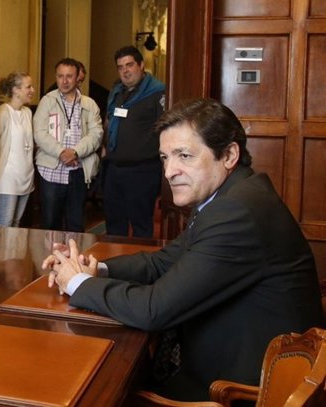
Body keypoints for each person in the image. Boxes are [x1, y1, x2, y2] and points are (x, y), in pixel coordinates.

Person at [42, 98, 323, 401]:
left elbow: (153, 310)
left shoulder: (236, 212)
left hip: (238, 392)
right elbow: (164, 262)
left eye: (184, 156)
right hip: (224, 364)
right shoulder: (231, 196)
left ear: (229, 155)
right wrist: (95, 267)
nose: (169, 171)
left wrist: (77, 283)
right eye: (165, 158)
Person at [33, 59, 102, 231]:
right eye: (60, 76)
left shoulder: (89, 104)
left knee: (76, 224)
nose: (64, 81)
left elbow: (96, 134)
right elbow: (39, 133)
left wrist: (75, 152)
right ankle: (51, 250)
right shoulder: (47, 101)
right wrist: (62, 153)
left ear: (78, 78)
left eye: (69, 76)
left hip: (79, 171)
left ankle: (73, 251)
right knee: (50, 223)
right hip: (51, 171)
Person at [103, 45, 165, 237]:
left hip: (142, 171)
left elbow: (165, 130)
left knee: (141, 224)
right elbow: (109, 121)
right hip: (115, 169)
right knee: (114, 223)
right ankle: (113, 256)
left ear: (141, 65)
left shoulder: (157, 93)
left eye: (129, 65)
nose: (125, 71)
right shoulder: (117, 92)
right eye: (120, 67)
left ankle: (140, 257)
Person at [0, 72, 35, 226]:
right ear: (16, 90)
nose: (32, 90)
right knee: (4, 223)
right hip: (8, 178)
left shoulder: (27, 112)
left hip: (25, 176)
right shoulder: (3, 111)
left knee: (16, 223)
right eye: (28, 87)